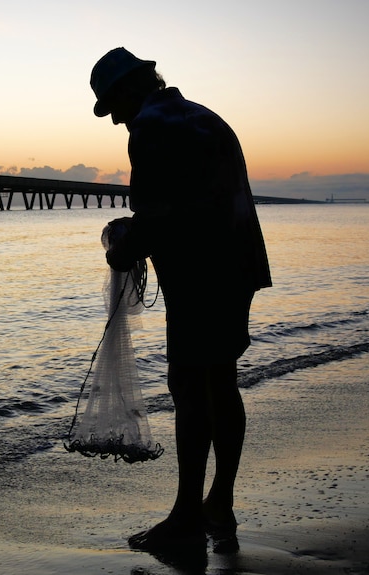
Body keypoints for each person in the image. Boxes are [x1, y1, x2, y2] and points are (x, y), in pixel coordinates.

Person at [89, 47, 272, 553]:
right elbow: (199, 200)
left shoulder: (152, 126)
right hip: (238, 269)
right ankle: (220, 503)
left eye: (113, 107)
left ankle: (188, 516)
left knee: (189, 388)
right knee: (221, 383)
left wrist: (121, 250)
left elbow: (158, 214)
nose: (117, 120)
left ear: (129, 90)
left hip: (200, 276)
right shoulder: (207, 118)